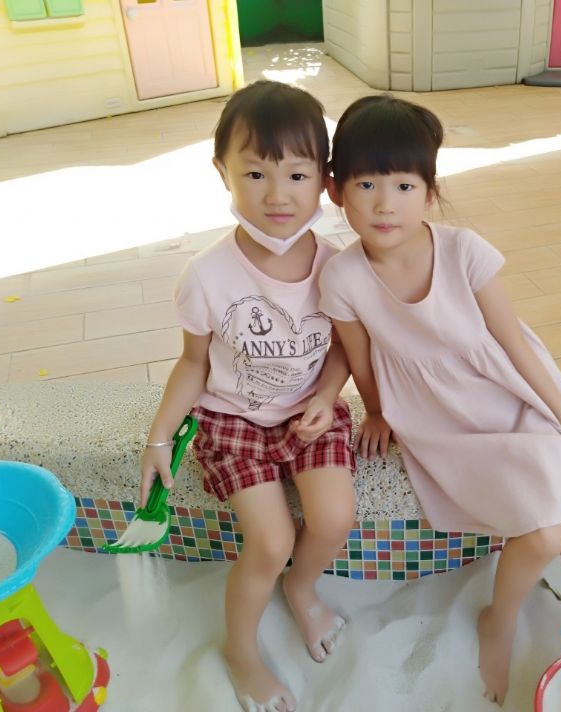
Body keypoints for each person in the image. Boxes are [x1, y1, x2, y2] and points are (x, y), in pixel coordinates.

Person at [318, 94, 561, 705]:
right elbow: (361, 359)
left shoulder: (463, 250)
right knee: (549, 534)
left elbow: (513, 342)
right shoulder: (343, 278)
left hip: (510, 395)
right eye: (366, 184)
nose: (384, 203)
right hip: (441, 422)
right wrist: (376, 411)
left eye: (403, 185)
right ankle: (497, 622)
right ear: (335, 190)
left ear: (430, 192)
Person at [139, 80, 356, 712]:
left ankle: (302, 591)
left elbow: (344, 347)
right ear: (222, 172)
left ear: (324, 179)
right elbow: (192, 362)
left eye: (297, 174)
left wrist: (327, 393)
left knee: (334, 519)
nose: (277, 194)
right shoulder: (206, 275)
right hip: (233, 421)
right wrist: (158, 439)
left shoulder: (338, 265)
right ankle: (241, 650)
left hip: (310, 412)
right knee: (270, 542)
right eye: (256, 173)